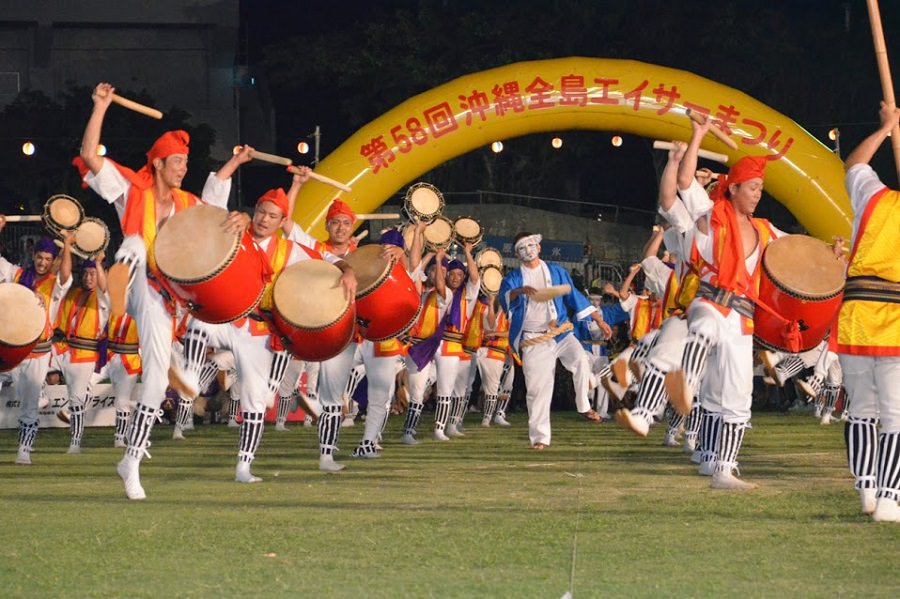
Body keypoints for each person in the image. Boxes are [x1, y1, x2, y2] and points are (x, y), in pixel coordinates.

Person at [76, 81, 252, 499]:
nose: (182, 168)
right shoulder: (130, 193)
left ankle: (130, 458)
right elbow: (89, 156)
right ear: (157, 164)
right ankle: (118, 285)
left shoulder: (189, 204)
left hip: (172, 298)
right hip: (138, 282)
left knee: (159, 383)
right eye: (177, 162)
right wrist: (100, 107)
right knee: (136, 242)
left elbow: (217, 211)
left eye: (186, 162)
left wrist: (240, 217)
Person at [182, 176, 356, 483]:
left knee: (256, 402)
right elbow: (209, 209)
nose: (264, 219)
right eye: (261, 212)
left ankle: (243, 467)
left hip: (260, 330)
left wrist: (348, 270)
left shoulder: (291, 249)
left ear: (282, 221)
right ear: (255, 211)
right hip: (229, 317)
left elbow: (328, 258)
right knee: (198, 321)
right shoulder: (235, 233)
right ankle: (190, 380)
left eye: (272, 216)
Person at [664, 117, 787, 490]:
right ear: (733, 188)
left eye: (761, 188)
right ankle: (686, 372)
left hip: (742, 317)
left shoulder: (765, 230)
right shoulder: (714, 217)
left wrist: (829, 254)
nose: (757, 193)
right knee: (703, 326)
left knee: (732, 393)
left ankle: (721, 467)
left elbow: (795, 253)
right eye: (752, 187)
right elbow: (685, 184)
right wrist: (698, 135)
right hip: (710, 300)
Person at [835, 102, 900, 521]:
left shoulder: (874, 197)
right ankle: (891, 497)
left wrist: (885, 127)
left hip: (857, 311)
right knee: (895, 414)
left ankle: (867, 490)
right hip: (894, 317)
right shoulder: (880, 198)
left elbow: (853, 163)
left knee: (861, 409)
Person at [499, 232, 611, 449]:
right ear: (516, 254)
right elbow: (504, 299)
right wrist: (519, 291)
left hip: (560, 332)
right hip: (534, 338)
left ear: (539, 247)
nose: (528, 250)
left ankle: (583, 405)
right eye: (522, 248)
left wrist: (600, 320)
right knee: (538, 390)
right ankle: (540, 438)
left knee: (580, 359)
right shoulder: (513, 278)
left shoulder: (556, 272)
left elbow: (575, 298)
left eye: (531, 246)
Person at [0, 229, 73, 464]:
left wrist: (68, 246)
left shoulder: (55, 286)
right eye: (40, 257)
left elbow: (66, 274)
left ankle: (24, 450)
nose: (42, 262)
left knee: (29, 405)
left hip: (38, 351)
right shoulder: (18, 275)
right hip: (10, 349)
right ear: (34, 256)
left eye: (47, 259)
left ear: (53, 262)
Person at [54, 254, 109, 453]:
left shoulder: (103, 298)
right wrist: (66, 248)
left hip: (85, 353)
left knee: (76, 401)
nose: (88, 277)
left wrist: (98, 263)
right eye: (85, 273)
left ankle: (75, 442)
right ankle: (40, 395)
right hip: (62, 347)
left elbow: (104, 287)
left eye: (92, 273)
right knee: (28, 362)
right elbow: (60, 278)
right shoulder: (73, 293)